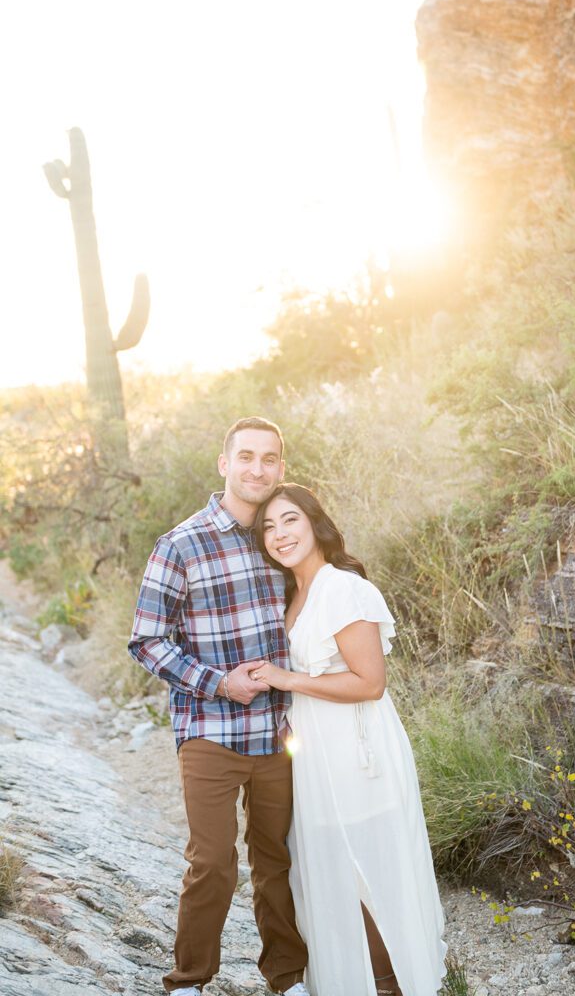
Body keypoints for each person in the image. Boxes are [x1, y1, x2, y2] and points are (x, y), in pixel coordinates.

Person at [128, 418, 309, 996]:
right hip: (209, 729)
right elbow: (147, 641)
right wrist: (217, 683)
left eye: (271, 459)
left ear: (282, 468)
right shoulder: (181, 544)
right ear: (224, 464)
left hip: (279, 731)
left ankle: (288, 978)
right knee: (212, 862)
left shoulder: (283, 537)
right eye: (247, 457)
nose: (259, 468)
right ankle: (188, 982)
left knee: (276, 862)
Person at [252, 483, 447, 996]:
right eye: (268, 527)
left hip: (362, 756)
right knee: (335, 876)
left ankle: (393, 985)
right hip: (316, 760)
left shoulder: (344, 588)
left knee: (372, 870)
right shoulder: (293, 596)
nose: (279, 534)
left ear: (315, 523)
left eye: (289, 519)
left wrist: (287, 679)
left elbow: (370, 682)